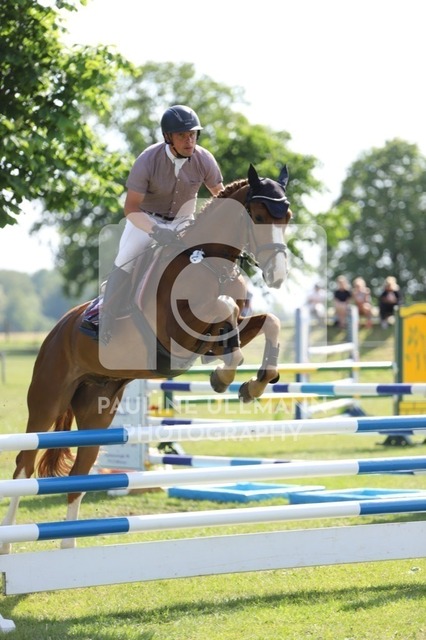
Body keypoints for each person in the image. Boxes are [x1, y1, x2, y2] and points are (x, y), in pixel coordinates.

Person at [100, 105, 224, 344]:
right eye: (182, 135)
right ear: (168, 137)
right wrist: (156, 231)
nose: (189, 141)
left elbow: (221, 198)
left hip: (184, 222)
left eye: (193, 134)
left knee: (209, 260)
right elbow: (131, 208)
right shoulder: (148, 160)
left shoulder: (204, 159)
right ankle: (107, 316)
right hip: (146, 220)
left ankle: (211, 320)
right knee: (127, 257)